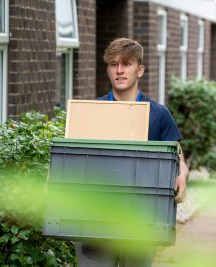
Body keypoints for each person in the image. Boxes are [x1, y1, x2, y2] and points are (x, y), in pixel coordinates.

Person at [76, 38, 189, 266]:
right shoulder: (92, 111)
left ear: (140, 70)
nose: (119, 70)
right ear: (108, 70)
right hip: (95, 221)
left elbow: (177, 154)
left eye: (126, 64)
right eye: (113, 64)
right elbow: (73, 156)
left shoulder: (158, 113)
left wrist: (182, 173)